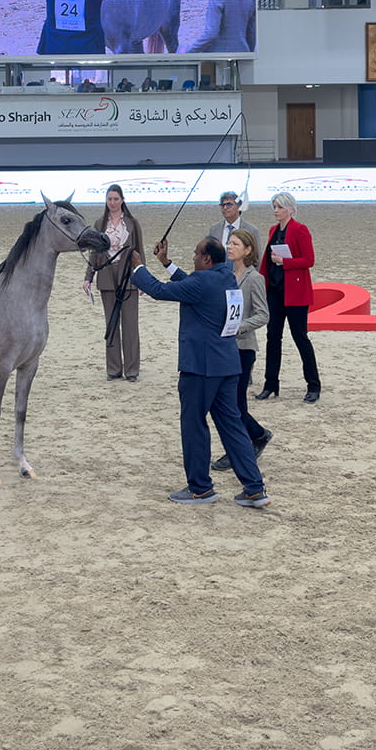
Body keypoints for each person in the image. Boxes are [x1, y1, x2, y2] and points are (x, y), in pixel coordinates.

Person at [129, 237, 270, 508]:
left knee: (193, 424)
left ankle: (200, 488)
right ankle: (254, 488)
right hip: (227, 365)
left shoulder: (203, 282)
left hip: (201, 368)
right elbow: (190, 285)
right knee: (232, 426)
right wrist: (167, 264)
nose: (193, 258)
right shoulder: (225, 277)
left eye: (196, 254)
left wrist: (138, 268)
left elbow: (160, 291)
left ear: (206, 260)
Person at [211, 229, 272, 472]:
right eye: (229, 242)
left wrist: (238, 327)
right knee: (229, 403)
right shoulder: (225, 275)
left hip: (243, 348)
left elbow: (262, 314)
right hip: (223, 347)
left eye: (235, 243)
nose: (229, 246)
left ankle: (244, 444)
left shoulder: (254, 279)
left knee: (234, 404)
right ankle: (255, 436)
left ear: (248, 250)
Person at [259, 192, 320, 403]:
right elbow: (266, 262)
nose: (276, 210)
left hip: (295, 293)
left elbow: (309, 260)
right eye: (274, 206)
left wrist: (285, 261)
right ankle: (270, 383)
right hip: (275, 292)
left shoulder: (300, 230)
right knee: (272, 337)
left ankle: (313, 385)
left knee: (300, 337)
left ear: (291, 209)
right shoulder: (273, 230)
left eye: (280, 207)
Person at [81, 184, 145, 382]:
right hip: (107, 276)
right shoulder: (100, 224)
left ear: (122, 200)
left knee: (130, 324)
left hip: (129, 277)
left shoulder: (133, 223)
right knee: (111, 323)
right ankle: (114, 368)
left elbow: (139, 251)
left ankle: (132, 370)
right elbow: (94, 252)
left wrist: (143, 279)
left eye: (116, 199)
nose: (113, 202)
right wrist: (88, 277)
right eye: (110, 199)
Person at [206, 191, 263, 255]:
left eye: (229, 204)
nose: (225, 208)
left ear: (239, 206)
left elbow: (258, 256)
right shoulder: (214, 229)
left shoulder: (251, 230)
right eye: (222, 205)